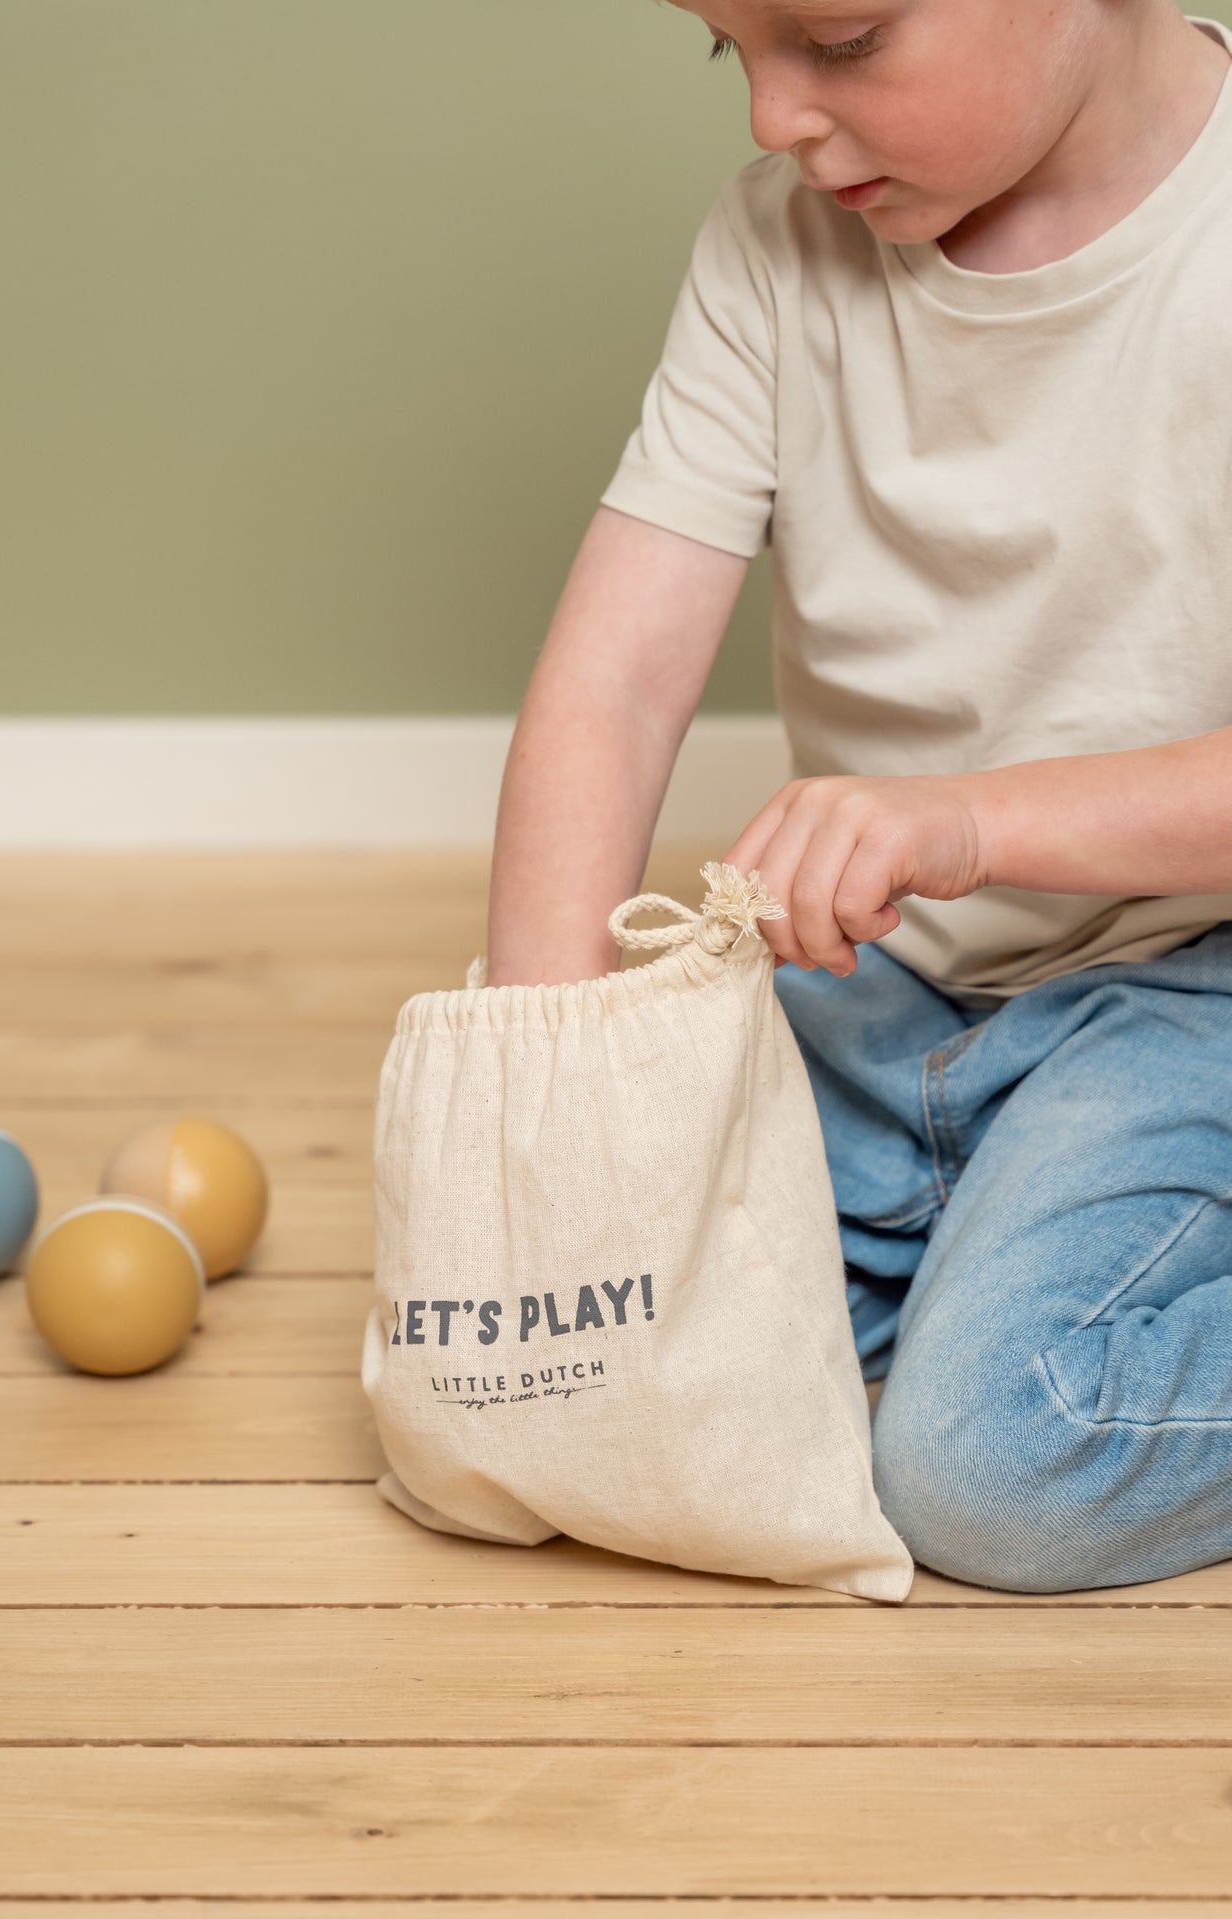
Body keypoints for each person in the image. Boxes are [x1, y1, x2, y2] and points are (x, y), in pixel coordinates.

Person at [483, 0, 1232, 1593]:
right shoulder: (773, 251)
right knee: (554, 1341)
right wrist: (543, 1097)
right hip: (888, 995)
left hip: (1195, 981)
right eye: (723, 50)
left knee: (994, 1465)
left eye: (837, 39)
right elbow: (612, 687)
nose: (768, 117)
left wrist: (968, 822)